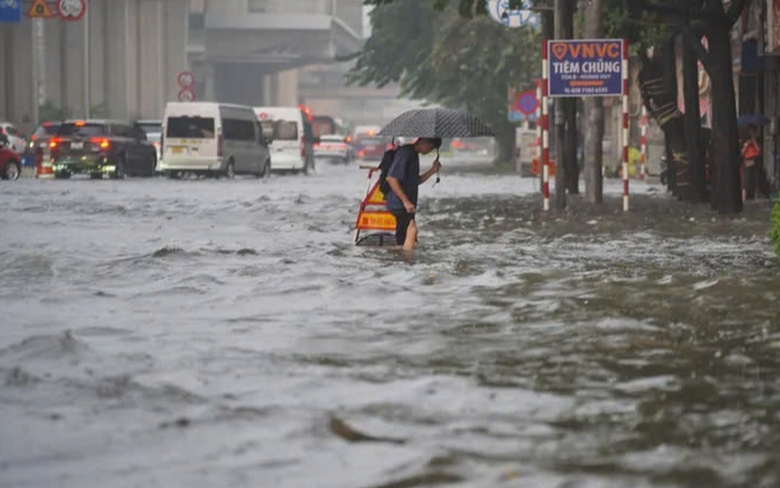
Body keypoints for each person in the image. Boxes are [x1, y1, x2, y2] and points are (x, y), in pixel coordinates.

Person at [385, 137, 442, 251]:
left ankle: (403, 260)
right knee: (411, 231)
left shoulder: (414, 155)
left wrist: (432, 170)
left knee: (407, 236)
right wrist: (405, 201)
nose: (430, 150)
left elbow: (415, 181)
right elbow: (391, 179)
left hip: (408, 205)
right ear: (423, 141)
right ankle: (406, 262)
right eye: (430, 147)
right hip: (400, 204)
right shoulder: (405, 153)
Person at [742, 124, 761, 203]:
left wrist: (754, 142)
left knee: (756, 179)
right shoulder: (745, 140)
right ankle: (743, 197)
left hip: (755, 161)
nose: (752, 133)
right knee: (746, 180)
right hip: (747, 161)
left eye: (753, 131)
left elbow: (759, 150)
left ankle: (756, 196)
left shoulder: (757, 140)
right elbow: (742, 152)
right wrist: (747, 145)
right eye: (750, 131)